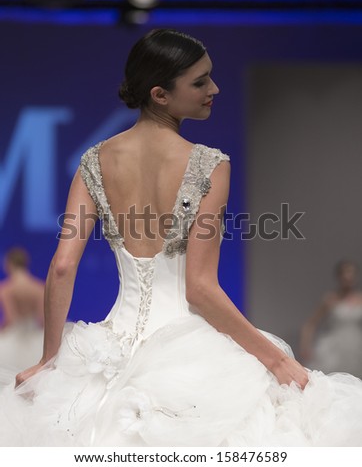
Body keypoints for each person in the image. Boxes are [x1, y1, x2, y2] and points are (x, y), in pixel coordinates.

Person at [0, 28, 362, 447]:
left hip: (104, 359)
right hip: (190, 360)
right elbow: (200, 289)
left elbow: (62, 266)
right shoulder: (209, 165)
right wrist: (277, 360)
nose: (215, 88)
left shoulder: (93, 162)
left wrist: (50, 361)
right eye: (200, 81)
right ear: (159, 94)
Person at [300, 260, 362, 379]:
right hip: (333, 348)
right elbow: (310, 323)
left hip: (356, 348)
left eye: (351, 273)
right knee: (332, 381)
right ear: (339, 276)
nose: (347, 277)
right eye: (344, 273)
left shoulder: (360, 299)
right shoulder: (331, 299)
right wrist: (305, 346)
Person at [0, 247, 44, 387]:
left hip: (13, 338)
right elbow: (42, 319)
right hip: (35, 339)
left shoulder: (7, 288)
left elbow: (10, 318)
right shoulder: (38, 287)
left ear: (9, 264)